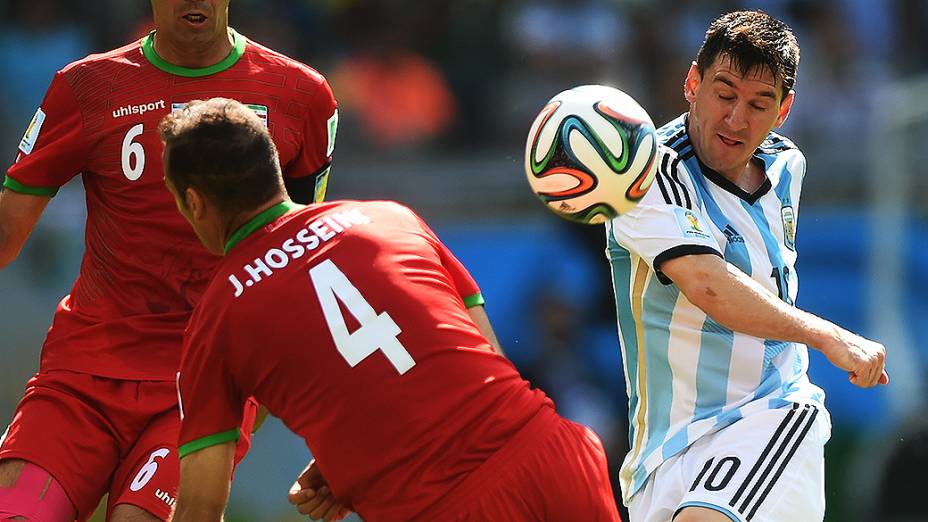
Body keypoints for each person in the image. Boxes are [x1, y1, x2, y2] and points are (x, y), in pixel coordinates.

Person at [159, 97, 621, 522]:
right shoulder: (389, 217)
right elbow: (485, 360)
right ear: (273, 169)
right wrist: (363, 447)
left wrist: (378, 456)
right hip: (553, 455)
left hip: (443, 507)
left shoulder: (218, 315)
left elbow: (200, 504)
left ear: (194, 201)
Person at [0, 1, 337, 520]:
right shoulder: (87, 86)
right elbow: (6, 232)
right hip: (83, 371)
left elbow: (298, 259)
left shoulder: (302, 96)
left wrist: (273, 398)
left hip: (204, 382)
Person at [605, 10, 888, 522]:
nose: (737, 119)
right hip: (663, 456)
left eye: (759, 104)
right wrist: (828, 335)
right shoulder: (647, 174)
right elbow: (708, 286)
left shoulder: (787, 165)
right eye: (724, 93)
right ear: (692, 83)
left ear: (784, 110)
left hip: (771, 416)